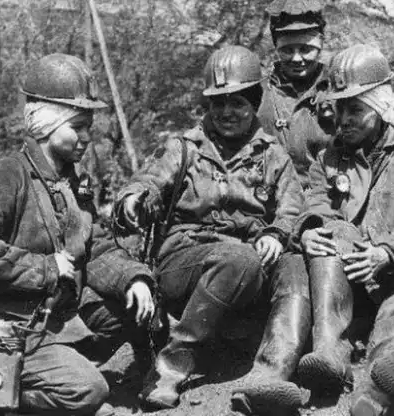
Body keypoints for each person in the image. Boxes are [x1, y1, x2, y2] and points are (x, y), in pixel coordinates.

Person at [0, 53, 155, 416]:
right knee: (89, 391)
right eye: (78, 126)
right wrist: (47, 268)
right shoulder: (6, 174)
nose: (87, 137)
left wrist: (133, 278)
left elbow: (94, 247)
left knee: (128, 309)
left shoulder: (70, 182)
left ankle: (44, 380)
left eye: (89, 126)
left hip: (48, 321)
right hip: (1, 328)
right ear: (46, 123)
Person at [113, 45, 310, 415]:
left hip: (248, 263)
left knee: (294, 265)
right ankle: (170, 367)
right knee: (238, 258)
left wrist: (276, 233)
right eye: (218, 103)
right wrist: (134, 199)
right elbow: (150, 181)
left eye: (238, 103)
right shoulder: (184, 148)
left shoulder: (272, 155)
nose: (226, 112)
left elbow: (292, 207)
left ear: (255, 104)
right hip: (185, 262)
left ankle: (272, 373)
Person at [295, 45, 394, 415]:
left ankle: (375, 393)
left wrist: (387, 253)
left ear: (380, 106)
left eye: (355, 109)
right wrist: (309, 229)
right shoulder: (327, 158)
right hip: (348, 280)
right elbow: (316, 205)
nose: (343, 120)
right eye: (338, 109)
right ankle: (329, 354)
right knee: (328, 236)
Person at [258, 0, 333, 190]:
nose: (297, 58)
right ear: (276, 48)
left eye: (306, 49)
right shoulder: (259, 93)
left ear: (320, 46)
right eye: (287, 50)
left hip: (328, 196)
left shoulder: (337, 90)